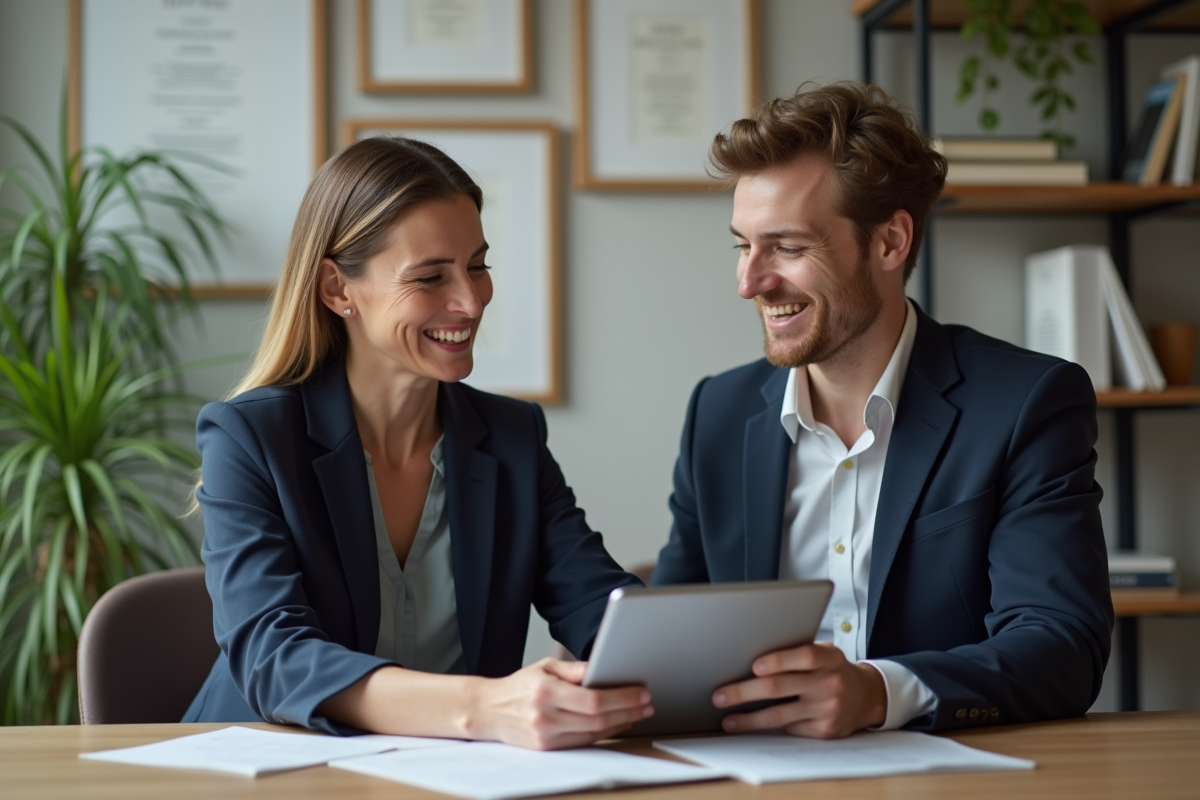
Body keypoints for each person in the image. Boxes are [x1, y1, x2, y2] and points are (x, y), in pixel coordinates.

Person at [651, 82, 1113, 738]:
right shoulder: (717, 413)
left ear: (891, 241)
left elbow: (1062, 644)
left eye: (786, 247)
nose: (749, 281)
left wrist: (877, 692)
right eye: (742, 245)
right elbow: (672, 634)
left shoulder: (1025, 404)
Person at [183, 137, 652, 749]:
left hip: (447, 778)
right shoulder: (250, 437)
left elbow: (600, 605)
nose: (471, 299)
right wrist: (484, 705)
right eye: (431, 276)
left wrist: (704, 666)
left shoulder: (511, 439)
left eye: (478, 265)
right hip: (265, 770)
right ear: (337, 289)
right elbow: (273, 657)